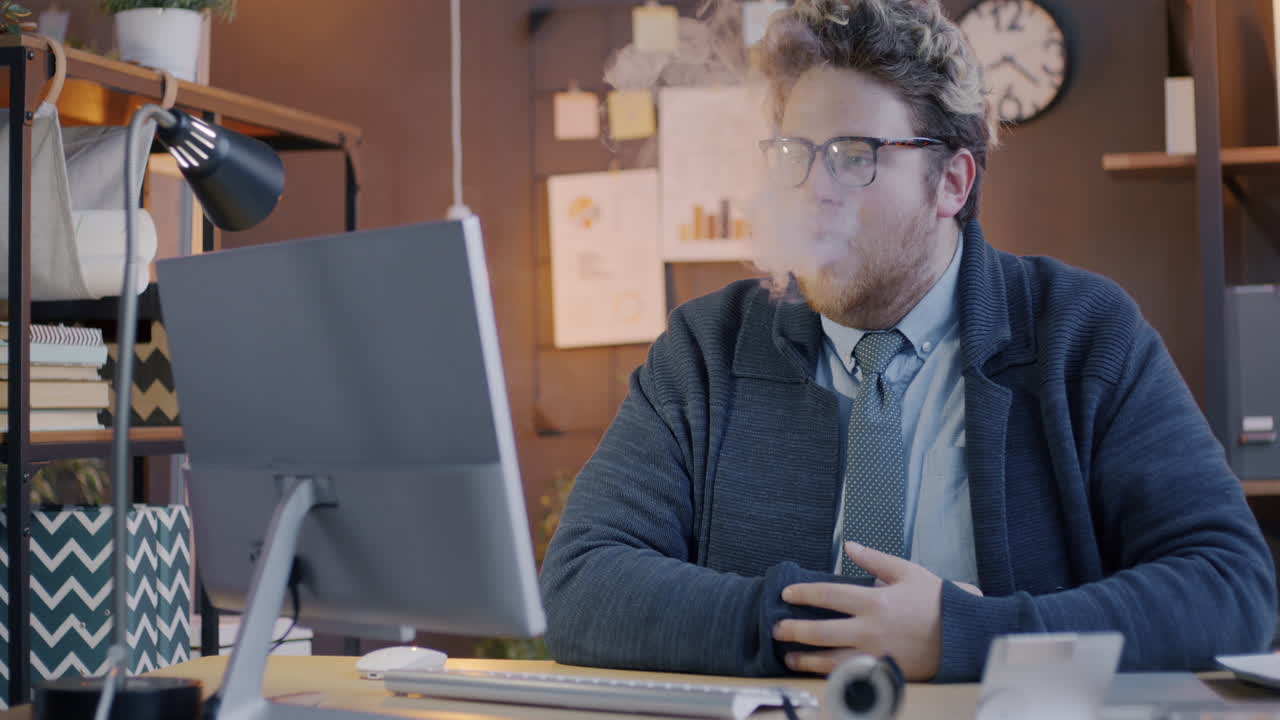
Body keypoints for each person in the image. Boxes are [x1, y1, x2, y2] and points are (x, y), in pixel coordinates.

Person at [538, 0, 1276, 682]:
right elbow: (580, 583)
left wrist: (966, 635)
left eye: (853, 155)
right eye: (795, 153)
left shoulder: (1082, 334)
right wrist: (822, 630)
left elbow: (1231, 587)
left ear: (951, 182)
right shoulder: (707, 349)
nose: (812, 189)